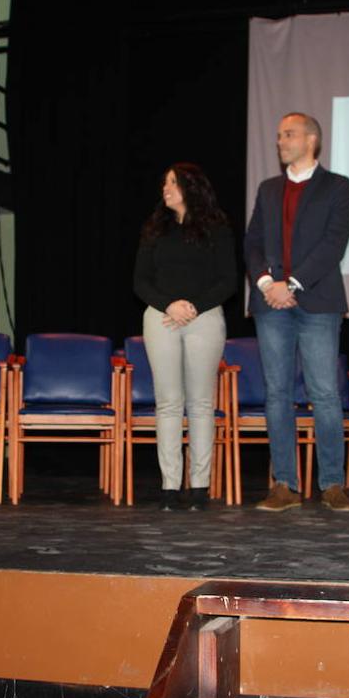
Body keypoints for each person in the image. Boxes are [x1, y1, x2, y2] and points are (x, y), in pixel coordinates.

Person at [244, 112, 349, 512]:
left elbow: (333, 244)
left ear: (311, 140)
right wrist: (265, 283)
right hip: (269, 303)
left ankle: (331, 485)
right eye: (277, 136)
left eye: (288, 134)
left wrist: (291, 284)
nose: (280, 141)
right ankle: (284, 485)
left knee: (324, 394)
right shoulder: (268, 188)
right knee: (277, 394)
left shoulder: (337, 186)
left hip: (318, 302)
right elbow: (252, 241)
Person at [133, 163, 237, 511]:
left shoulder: (217, 227)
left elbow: (228, 281)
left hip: (204, 318)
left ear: (192, 188)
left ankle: (200, 486)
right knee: (168, 403)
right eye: (164, 183)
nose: (166, 188)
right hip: (161, 318)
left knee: (201, 404)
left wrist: (192, 307)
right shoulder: (154, 229)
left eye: (173, 183)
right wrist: (169, 306)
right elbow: (140, 281)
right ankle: (169, 486)